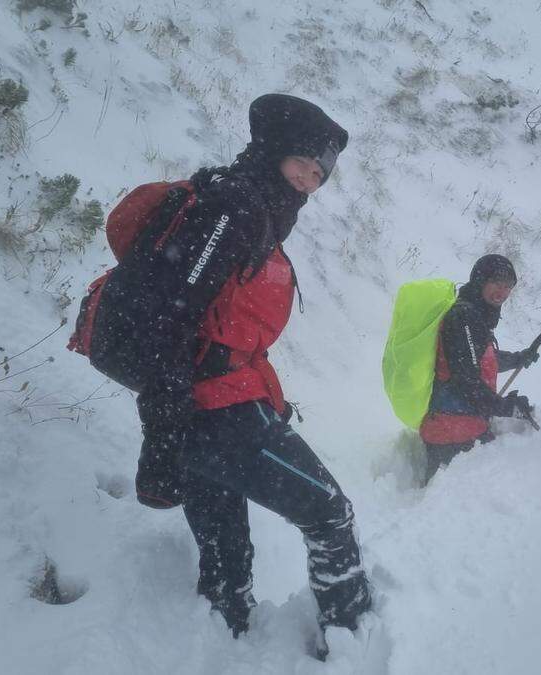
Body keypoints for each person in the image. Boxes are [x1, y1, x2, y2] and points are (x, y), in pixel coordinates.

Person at [103, 94, 370, 641]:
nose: (310, 182)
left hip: (202, 406)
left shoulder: (256, 211)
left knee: (226, 547)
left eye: (320, 175)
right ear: (275, 151)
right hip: (210, 409)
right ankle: (356, 639)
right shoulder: (234, 209)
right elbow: (171, 316)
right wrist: (166, 425)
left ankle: (229, 637)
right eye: (304, 164)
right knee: (330, 514)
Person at [418, 254, 539, 483]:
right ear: (479, 280)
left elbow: (480, 359)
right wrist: (506, 407)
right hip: (452, 434)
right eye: (496, 283)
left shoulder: (475, 314)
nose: (502, 292)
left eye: (508, 286)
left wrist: (518, 358)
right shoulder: (463, 318)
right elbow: (466, 382)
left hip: (462, 426)